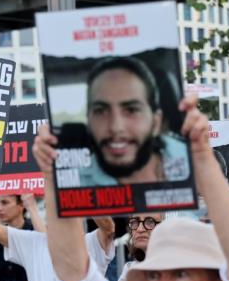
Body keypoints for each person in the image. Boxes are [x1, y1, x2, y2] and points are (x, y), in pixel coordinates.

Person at [34, 96, 229, 281]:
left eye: (180, 274)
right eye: (153, 276)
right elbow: (73, 274)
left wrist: (202, 157)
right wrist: (56, 175)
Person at [75, 56, 189, 186]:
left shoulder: (192, 161)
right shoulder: (76, 182)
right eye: (101, 111)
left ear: (156, 122)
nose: (116, 127)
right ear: (88, 121)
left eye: (131, 110)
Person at [114, 213, 163, 281]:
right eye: (135, 222)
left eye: (150, 221)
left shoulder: (174, 270)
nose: (140, 229)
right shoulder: (130, 269)